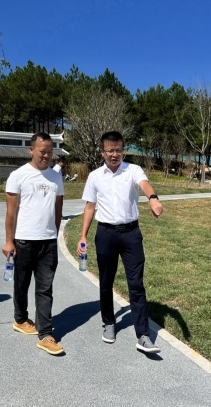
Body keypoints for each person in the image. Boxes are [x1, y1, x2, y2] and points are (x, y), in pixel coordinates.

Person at [77, 131, 164, 354]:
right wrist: (83, 236)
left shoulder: (132, 170)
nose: (114, 154)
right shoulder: (95, 176)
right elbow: (89, 207)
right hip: (106, 234)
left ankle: (143, 335)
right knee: (106, 281)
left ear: (122, 151)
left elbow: (144, 184)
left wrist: (153, 198)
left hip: (131, 235)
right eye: (110, 151)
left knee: (136, 284)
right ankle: (108, 322)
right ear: (102, 152)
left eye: (118, 150)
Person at [2, 132, 65, 355]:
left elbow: (58, 209)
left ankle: (45, 334)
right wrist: (8, 241)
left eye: (50, 152)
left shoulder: (56, 177)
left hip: (48, 242)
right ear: (31, 150)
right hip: (23, 240)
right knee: (21, 283)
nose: (46, 156)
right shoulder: (18, 176)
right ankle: (20, 319)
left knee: (45, 288)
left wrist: (54, 233)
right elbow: (11, 212)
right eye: (42, 152)